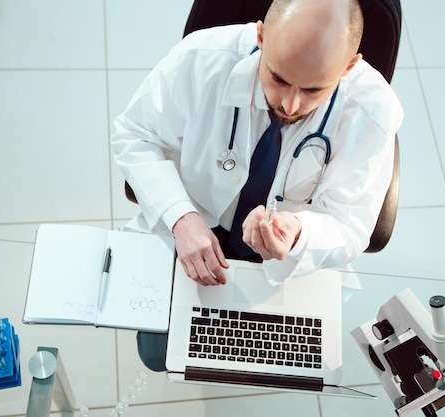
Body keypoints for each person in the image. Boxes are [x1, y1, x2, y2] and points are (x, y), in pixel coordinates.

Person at [111, 0, 403, 371]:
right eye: (279, 78)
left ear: (349, 67)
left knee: (270, 358)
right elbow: (134, 135)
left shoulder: (374, 113)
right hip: (192, 225)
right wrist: (180, 218)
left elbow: (351, 224)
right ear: (261, 36)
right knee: (163, 354)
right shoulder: (200, 58)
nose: (290, 103)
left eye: (314, 89)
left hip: (289, 264)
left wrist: (299, 233)